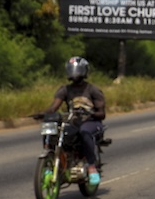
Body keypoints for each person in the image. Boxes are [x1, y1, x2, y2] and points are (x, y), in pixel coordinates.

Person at [39, 57, 106, 186]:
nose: (74, 73)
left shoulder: (93, 90)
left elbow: (102, 113)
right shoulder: (65, 89)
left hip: (92, 122)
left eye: (77, 70)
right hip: (73, 122)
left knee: (85, 131)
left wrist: (91, 113)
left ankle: (91, 167)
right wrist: (43, 113)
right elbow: (54, 107)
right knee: (55, 132)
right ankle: (52, 162)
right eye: (72, 70)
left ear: (84, 71)